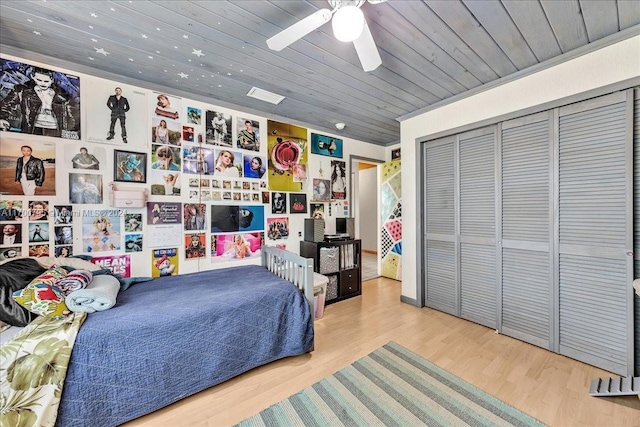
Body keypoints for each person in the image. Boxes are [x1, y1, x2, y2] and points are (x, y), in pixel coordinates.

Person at [0, 66, 76, 137]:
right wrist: (2, 118)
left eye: (46, 81)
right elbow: (6, 104)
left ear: (52, 80)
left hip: (55, 130)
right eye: (39, 80)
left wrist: (71, 132)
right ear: (33, 77)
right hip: (32, 129)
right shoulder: (22, 91)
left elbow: (72, 115)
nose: (42, 83)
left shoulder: (62, 95)